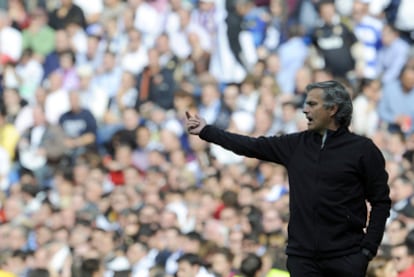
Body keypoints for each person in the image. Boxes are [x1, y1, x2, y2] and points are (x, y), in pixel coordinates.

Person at [185, 80, 391, 277]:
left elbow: (380, 202)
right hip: (303, 258)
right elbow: (251, 145)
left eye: (312, 104)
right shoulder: (295, 145)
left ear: (333, 109)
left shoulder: (363, 150)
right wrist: (206, 131)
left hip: (346, 257)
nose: (305, 110)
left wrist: (367, 250)